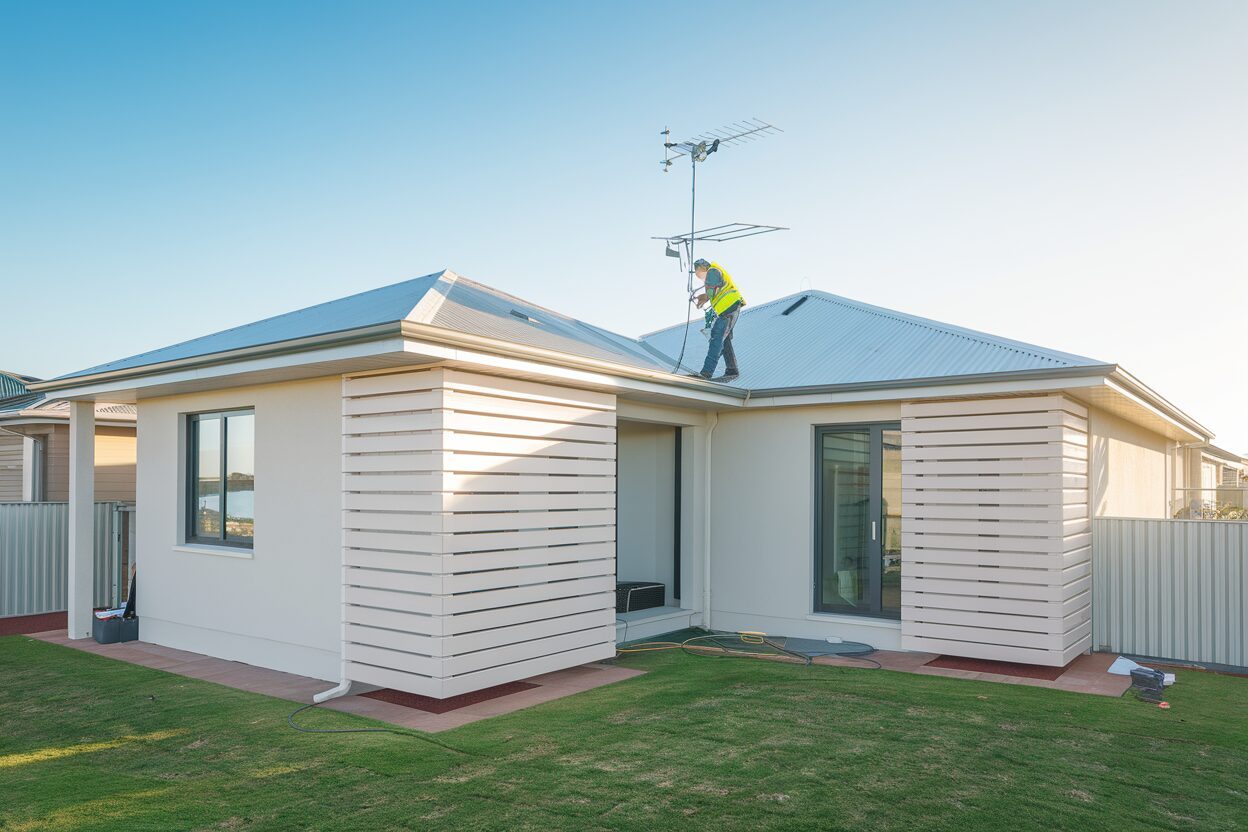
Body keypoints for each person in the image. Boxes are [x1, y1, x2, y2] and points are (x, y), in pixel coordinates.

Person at [688, 258, 744, 380]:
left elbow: (711, 290)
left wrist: (703, 296)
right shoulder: (714, 273)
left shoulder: (712, 271)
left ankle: (706, 372)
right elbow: (713, 291)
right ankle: (732, 369)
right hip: (729, 308)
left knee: (716, 337)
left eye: (699, 275)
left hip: (729, 308)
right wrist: (704, 297)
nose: (701, 279)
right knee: (724, 340)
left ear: (702, 268)